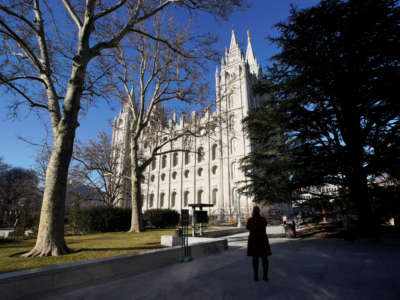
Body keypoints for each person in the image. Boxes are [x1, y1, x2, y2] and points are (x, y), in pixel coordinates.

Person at [246, 206, 272, 281]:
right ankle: (265, 276)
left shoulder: (250, 220)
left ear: (253, 211)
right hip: (262, 240)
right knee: (264, 259)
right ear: (259, 211)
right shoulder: (263, 219)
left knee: (255, 258)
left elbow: (248, 227)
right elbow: (265, 225)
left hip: (254, 241)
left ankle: (256, 276)